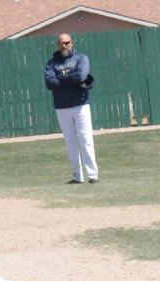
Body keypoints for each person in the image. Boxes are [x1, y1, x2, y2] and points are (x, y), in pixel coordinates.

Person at [44, 33, 99, 184]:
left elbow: (81, 76)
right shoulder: (52, 63)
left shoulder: (81, 58)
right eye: (61, 43)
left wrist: (60, 78)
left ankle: (92, 175)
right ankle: (77, 176)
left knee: (86, 139)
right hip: (62, 107)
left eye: (67, 42)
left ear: (72, 43)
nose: (64, 46)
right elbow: (49, 83)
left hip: (81, 105)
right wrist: (70, 78)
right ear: (57, 44)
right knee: (70, 142)